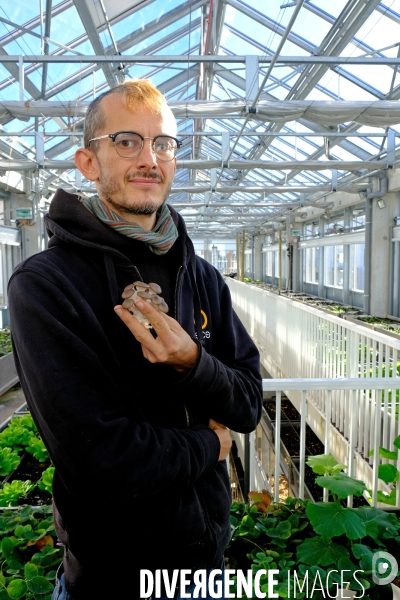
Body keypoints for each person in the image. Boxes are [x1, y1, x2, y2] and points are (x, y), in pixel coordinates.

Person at [8, 78, 263, 600]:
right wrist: (209, 445)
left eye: (163, 143)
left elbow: (249, 404)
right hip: (113, 575)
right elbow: (98, 459)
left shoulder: (202, 276)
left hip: (208, 561)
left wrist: (192, 360)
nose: (149, 158)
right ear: (88, 162)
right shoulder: (47, 285)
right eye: (127, 141)